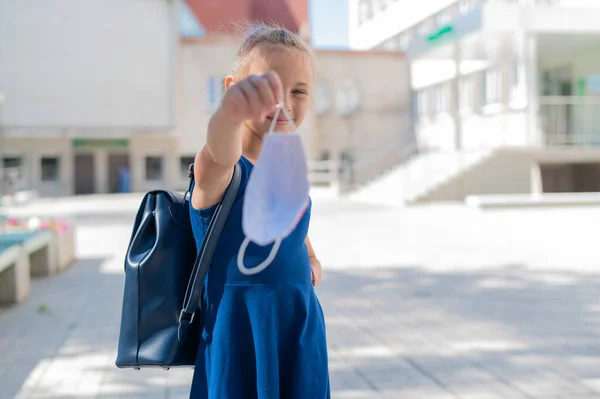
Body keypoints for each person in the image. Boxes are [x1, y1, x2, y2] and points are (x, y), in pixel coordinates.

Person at [188, 24, 330, 398]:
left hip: (298, 330)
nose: (285, 101)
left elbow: (294, 235)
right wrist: (230, 114)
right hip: (241, 335)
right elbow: (216, 153)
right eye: (268, 89)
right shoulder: (224, 172)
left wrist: (312, 262)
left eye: (298, 91)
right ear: (234, 88)